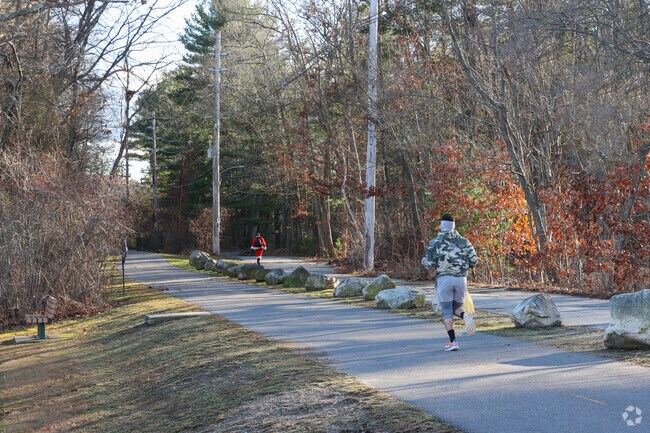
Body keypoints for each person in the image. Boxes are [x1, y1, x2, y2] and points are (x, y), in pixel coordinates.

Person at [422, 214, 478, 351]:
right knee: (457, 308)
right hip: (461, 280)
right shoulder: (464, 241)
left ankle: (453, 342)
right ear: (454, 226)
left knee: (447, 311)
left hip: (445, 279)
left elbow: (429, 263)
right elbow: (474, 260)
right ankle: (465, 315)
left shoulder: (435, 242)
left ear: (442, 226)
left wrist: (423, 261)